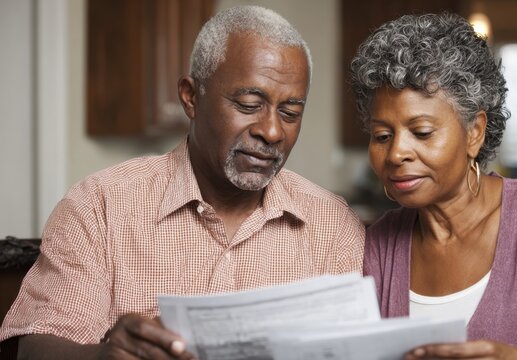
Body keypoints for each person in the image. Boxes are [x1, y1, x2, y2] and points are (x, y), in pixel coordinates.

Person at [0, 5, 365, 359]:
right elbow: (35, 347)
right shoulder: (100, 205)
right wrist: (103, 357)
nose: (271, 131)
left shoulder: (332, 225)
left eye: (290, 113)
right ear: (191, 97)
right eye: (249, 104)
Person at [350, 12, 517, 360]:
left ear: (475, 132)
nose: (396, 153)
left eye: (421, 132)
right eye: (381, 136)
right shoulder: (377, 246)